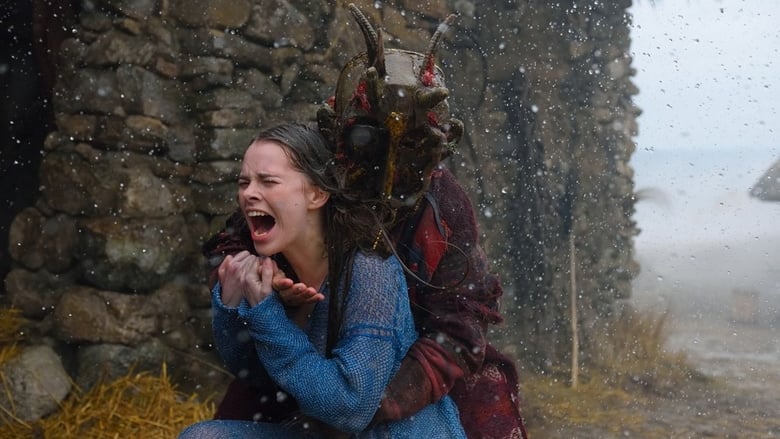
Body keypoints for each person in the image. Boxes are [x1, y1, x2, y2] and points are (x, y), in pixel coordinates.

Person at [203, 5, 529, 438]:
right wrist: (266, 288)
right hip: (306, 346)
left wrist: (382, 401)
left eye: (411, 147)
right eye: (370, 142)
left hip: (408, 365)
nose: (389, 168)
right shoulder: (313, 168)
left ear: (437, 147)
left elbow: (462, 321)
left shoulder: (443, 205)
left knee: (486, 414)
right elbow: (237, 243)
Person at [180, 123, 467, 438]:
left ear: (317, 194)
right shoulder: (278, 270)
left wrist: (268, 316)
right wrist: (232, 306)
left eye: (268, 181)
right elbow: (256, 375)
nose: (248, 193)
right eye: (243, 182)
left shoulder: (370, 268)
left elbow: (350, 408)